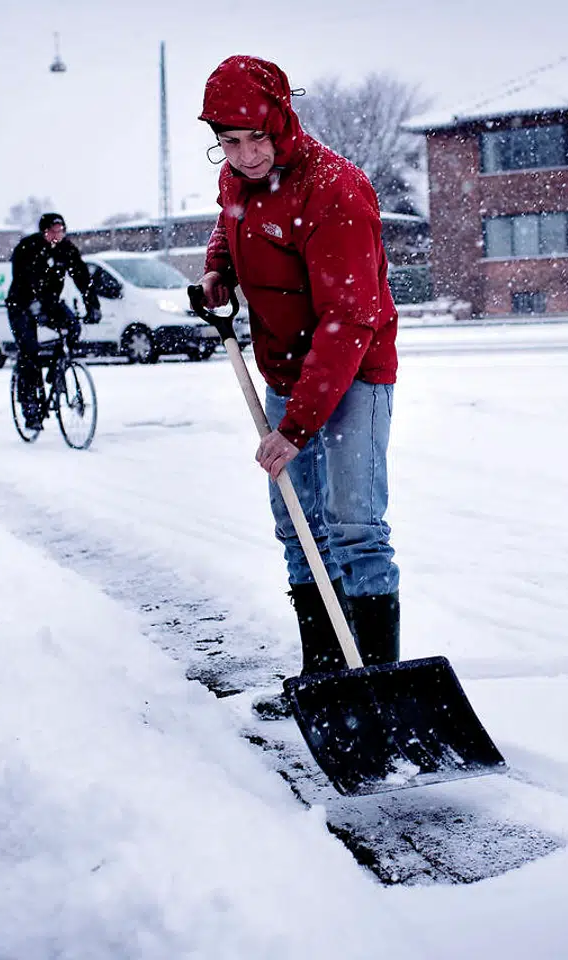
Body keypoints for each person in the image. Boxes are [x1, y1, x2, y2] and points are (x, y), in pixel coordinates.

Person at [195, 55, 401, 717]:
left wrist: (296, 427)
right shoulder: (235, 180)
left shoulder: (334, 187)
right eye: (231, 142)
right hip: (285, 374)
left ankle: (376, 689)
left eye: (258, 138)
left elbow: (349, 319)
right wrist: (217, 269)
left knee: (353, 528)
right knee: (298, 529)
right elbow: (228, 226)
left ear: (283, 119)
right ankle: (324, 676)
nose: (248, 155)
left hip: (353, 374)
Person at [5, 212, 95, 430]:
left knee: (73, 327)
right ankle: (31, 408)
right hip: (21, 304)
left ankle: (57, 370)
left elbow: (82, 277)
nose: (57, 235)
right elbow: (23, 276)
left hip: (49, 301)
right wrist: (32, 302)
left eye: (61, 231)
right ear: (43, 232)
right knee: (29, 351)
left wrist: (92, 305)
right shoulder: (28, 248)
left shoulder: (67, 250)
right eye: (53, 231)